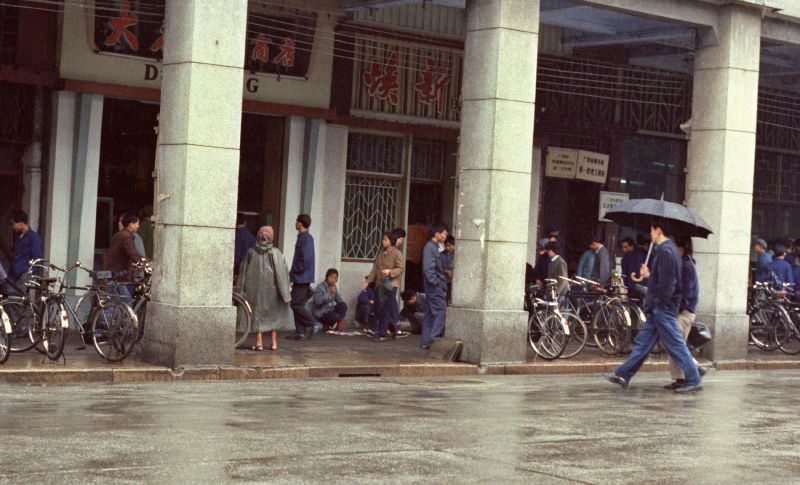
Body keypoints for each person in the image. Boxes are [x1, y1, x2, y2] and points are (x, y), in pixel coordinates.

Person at [606, 220, 702, 393]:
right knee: (643, 344)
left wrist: (660, 304)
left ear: (658, 231)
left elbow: (668, 284)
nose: (650, 234)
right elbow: (662, 280)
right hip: (659, 308)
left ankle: (693, 378)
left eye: (651, 230)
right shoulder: (666, 251)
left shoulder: (666, 252)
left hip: (662, 308)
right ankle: (623, 374)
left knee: (675, 344)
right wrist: (649, 275)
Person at [237, 226, 291, 351]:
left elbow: (243, 272)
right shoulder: (277, 253)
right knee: (274, 316)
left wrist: (240, 289)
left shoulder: (251, 252)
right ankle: (273, 343)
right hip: (273, 290)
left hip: (254, 290)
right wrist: (286, 290)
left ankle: (259, 342)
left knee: (257, 315)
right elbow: (284, 274)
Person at [664, 235, 704, 389]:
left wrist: (679, 308)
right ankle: (679, 378)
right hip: (679, 310)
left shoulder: (686, 266)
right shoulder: (681, 264)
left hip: (684, 312)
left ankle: (694, 371)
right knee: (674, 344)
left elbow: (687, 292)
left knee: (676, 345)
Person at [364, 231, 404, 341]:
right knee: (379, 308)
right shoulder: (381, 253)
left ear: (391, 241)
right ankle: (393, 327)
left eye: (385, 240)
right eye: (383, 239)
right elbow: (375, 269)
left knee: (385, 308)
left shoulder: (397, 253)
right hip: (379, 284)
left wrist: (390, 272)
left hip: (390, 284)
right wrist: (368, 281)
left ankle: (382, 333)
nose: (383, 242)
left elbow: (400, 268)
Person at [287, 214, 316, 341]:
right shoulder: (303, 237)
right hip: (301, 277)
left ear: (300, 223)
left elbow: (306, 259)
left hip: (302, 277)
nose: (295, 223)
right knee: (297, 303)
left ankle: (312, 323)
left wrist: (296, 270)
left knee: (296, 304)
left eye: (296, 221)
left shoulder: (306, 238)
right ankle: (300, 331)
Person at [104, 212, 142, 303]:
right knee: (125, 299)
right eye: (137, 224)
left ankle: (115, 315)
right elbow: (133, 254)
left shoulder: (119, 235)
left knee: (115, 298)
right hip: (119, 273)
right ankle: (123, 317)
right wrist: (144, 262)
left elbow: (123, 254)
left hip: (114, 272)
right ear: (131, 224)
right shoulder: (126, 237)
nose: (138, 226)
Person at [421, 224, 449, 349]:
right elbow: (428, 269)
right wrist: (436, 283)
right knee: (440, 311)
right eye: (444, 233)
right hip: (434, 286)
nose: (445, 236)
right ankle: (434, 339)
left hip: (433, 286)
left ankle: (426, 341)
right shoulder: (430, 247)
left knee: (430, 314)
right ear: (437, 233)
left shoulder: (436, 247)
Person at [8, 210, 44, 287]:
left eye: (13, 224)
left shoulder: (33, 238)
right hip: (13, 275)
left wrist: (27, 274)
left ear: (21, 223)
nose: (12, 227)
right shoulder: (19, 237)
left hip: (24, 276)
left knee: (23, 298)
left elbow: (37, 259)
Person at [442, 235, 455, 304]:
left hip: (454, 282)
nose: (447, 248)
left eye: (449, 246)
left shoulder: (457, 255)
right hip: (444, 281)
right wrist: (447, 271)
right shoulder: (441, 255)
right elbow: (438, 267)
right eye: (446, 246)